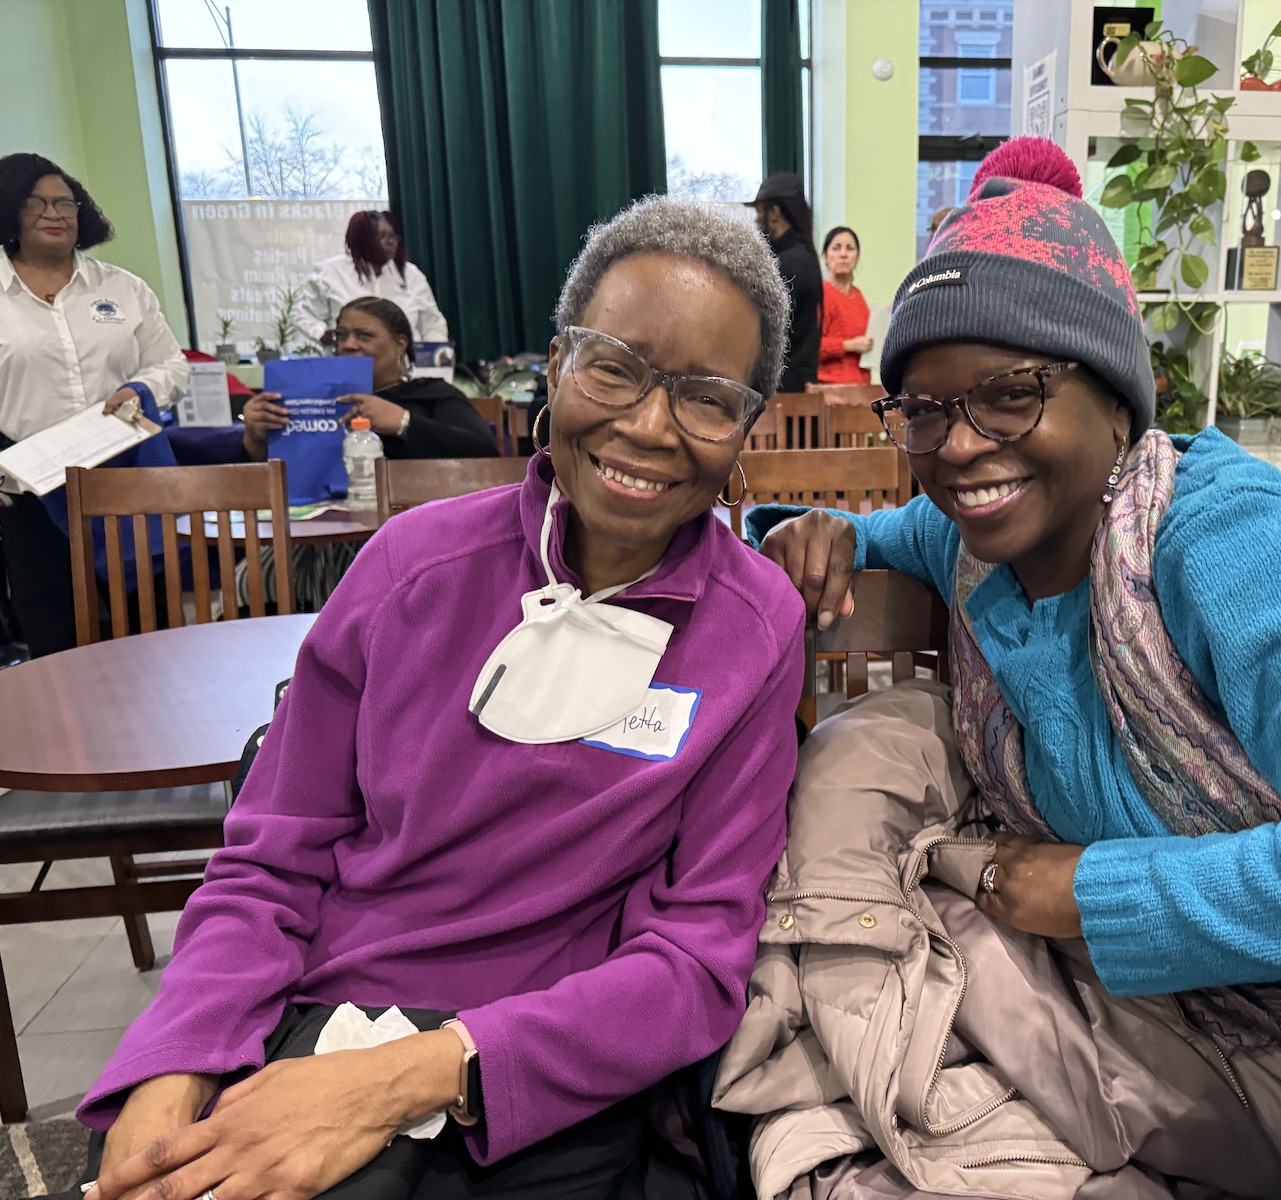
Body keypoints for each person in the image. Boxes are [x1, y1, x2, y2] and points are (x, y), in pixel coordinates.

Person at [748, 138, 1281, 1194]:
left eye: (1011, 393)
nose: (959, 446)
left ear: (1117, 401)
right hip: (1226, 1019)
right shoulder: (976, 545)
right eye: (923, 408)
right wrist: (800, 530)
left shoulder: (1230, 544)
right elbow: (858, 531)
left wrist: (1099, 895)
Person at [79, 195, 804, 1200]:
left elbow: (696, 959)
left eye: (708, 397)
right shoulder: (410, 566)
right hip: (318, 1017)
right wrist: (173, 1068)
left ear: (746, 427)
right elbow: (268, 863)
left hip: (542, 1076)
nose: (648, 427)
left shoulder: (754, 626)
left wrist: (403, 1078)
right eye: (613, 366)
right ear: (553, 368)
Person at [0, 153, 187, 657]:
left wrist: (141, 391)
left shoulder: (123, 288)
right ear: (10, 210)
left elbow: (171, 365)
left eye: (66, 202)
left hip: (125, 477)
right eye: (36, 202)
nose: (54, 213)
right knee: (53, 628)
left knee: (151, 624)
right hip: (29, 489)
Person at [241, 297, 498, 463]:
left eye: (363, 335)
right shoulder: (310, 399)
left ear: (399, 345)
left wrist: (402, 422)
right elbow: (279, 474)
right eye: (341, 335)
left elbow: (483, 452)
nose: (348, 345)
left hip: (408, 526)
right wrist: (256, 436)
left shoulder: (431, 394)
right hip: (314, 528)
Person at [295, 210, 448, 349]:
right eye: (382, 236)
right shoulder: (330, 272)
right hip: (351, 364)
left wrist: (434, 361)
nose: (391, 242)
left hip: (405, 369)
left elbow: (433, 325)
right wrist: (323, 334)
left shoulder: (411, 275)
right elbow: (304, 316)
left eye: (393, 236)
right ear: (362, 240)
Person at [747, 172, 820, 393]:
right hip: (798, 385)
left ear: (775, 213)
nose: (757, 220)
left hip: (784, 393)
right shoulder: (804, 255)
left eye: (760, 212)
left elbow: (771, 332)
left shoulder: (788, 264)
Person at [817, 226, 872, 385]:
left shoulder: (858, 295)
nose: (843, 254)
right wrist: (849, 345)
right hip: (830, 386)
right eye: (836, 248)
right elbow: (813, 346)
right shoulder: (822, 293)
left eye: (850, 249)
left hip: (862, 386)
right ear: (825, 256)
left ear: (857, 257)